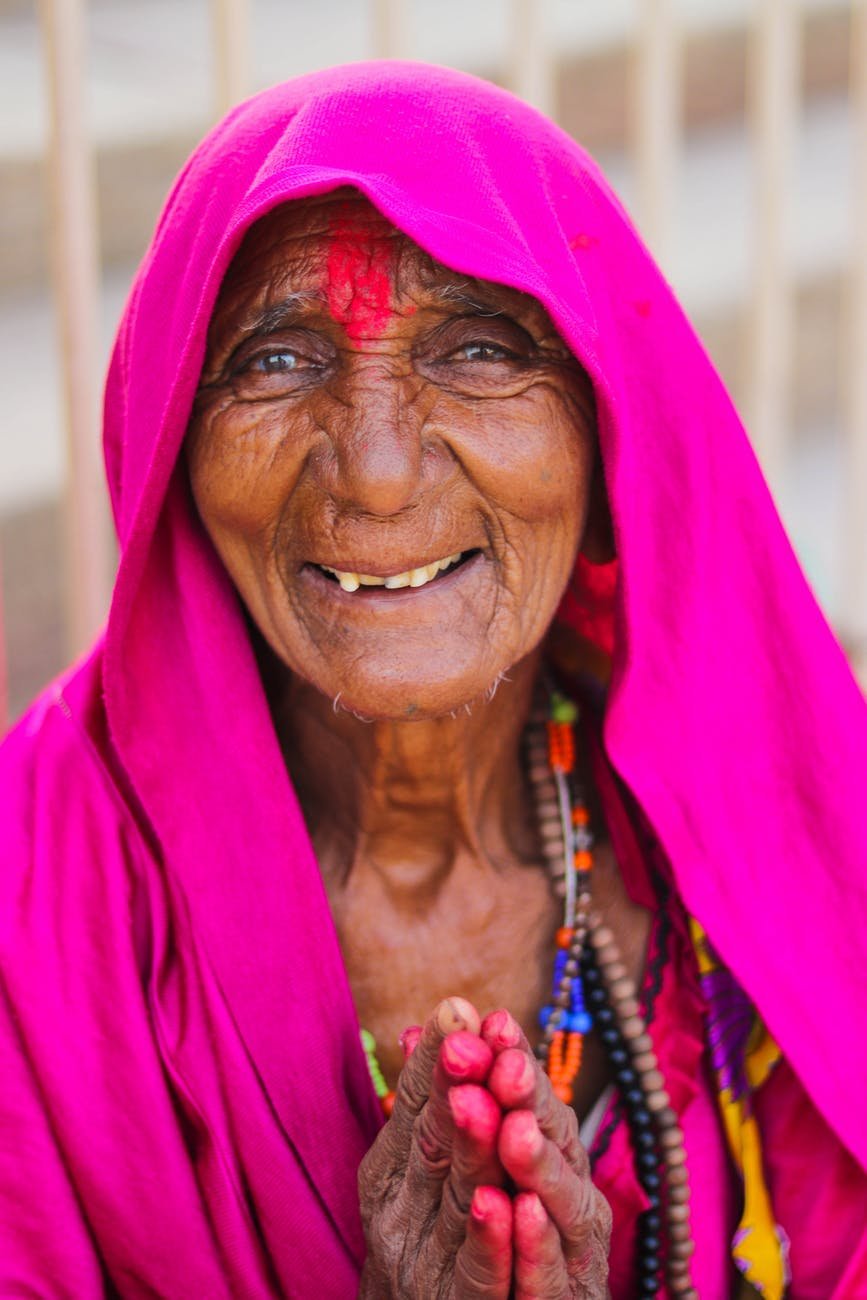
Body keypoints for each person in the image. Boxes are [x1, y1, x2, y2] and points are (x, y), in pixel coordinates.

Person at [1, 61, 866, 1300]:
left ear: (603, 419)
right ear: (172, 443)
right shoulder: (37, 891)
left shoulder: (778, 816)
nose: (382, 473)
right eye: (276, 360)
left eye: (475, 347)